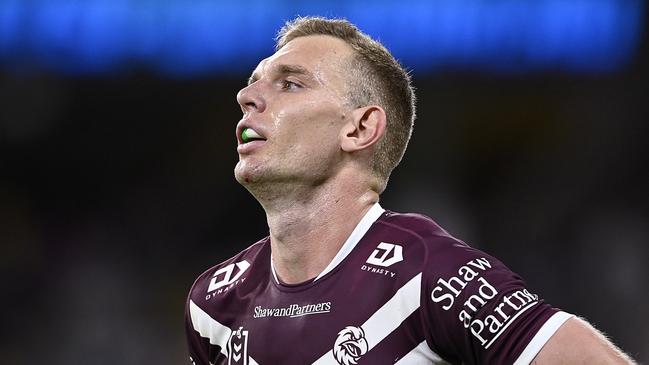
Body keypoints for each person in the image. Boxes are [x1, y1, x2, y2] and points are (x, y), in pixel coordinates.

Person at [185, 16, 635, 365]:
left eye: (291, 83)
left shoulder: (431, 276)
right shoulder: (214, 305)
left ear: (360, 128)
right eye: (254, 83)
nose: (248, 96)